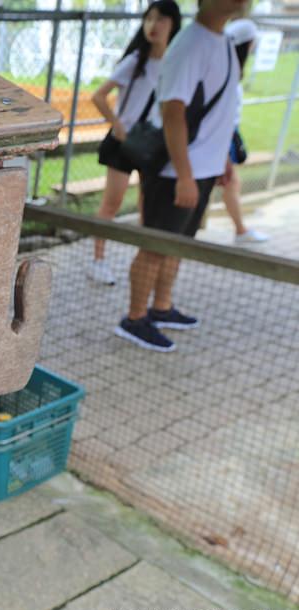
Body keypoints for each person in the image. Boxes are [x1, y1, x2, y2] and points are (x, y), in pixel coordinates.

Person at [115, 0, 247, 353]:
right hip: (177, 172)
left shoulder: (223, 43)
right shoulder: (190, 44)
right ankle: (135, 317)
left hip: (201, 168)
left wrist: (221, 160)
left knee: (178, 244)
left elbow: (221, 109)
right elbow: (173, 113)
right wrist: (185, 175)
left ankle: (162, 306)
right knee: (156, 246)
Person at [89, 0, 181, 285]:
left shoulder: (177, 63)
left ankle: (142, 265)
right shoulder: (136, 60)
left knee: (147, 208)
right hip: (124, 144)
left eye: (161, 19)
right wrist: (118, 126)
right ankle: (98, 261)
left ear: (173, 24)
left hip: (153, 145)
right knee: (111, 204)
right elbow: (99, 96)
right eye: (149, 19)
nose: (153, 25)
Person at [220, 17, 270, 244]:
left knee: (231, 183)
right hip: (222, 136)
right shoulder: (228, 73)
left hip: (227, 134)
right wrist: (223, 156)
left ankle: (240, 230)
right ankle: (240, 231)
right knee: (229, 182)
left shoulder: (231, 69)